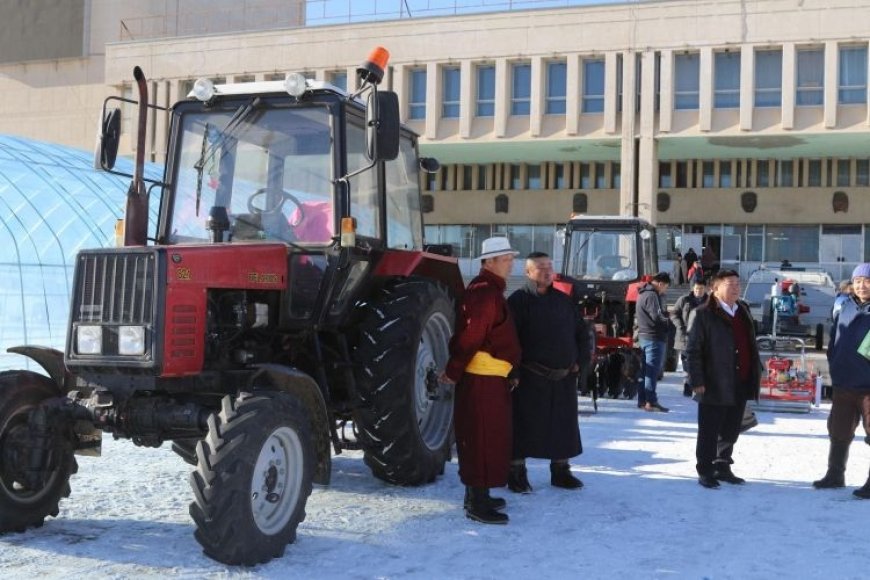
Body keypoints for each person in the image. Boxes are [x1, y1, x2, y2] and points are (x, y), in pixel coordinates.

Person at [439, 236, 521, 524]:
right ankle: (476, 502)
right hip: (481, 381)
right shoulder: (486, 292)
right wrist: (453, 370)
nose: (511, 263)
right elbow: (471, 337)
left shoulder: (489, 290)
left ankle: (480, 494)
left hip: (490, 379)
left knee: (488, 438)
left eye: (511, 258)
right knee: (481, 439)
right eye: (506, 259)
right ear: (489, 262)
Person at [506, 252, 591, 493]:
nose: (546, 270)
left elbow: (581, 333)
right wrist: (513, 371)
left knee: (562, 426)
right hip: (529, 377)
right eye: (540, 267)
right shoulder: (518, 301)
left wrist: (580, 361)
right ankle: (516, 473)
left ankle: (561, 471)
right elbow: (509, 340)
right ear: (528, 272)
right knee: (523, 426)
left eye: (549, 266)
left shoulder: (564, 301)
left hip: (563, 377)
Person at [685, 269, 762, 488]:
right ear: (715, 288)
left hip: (741, 378)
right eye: (731, 284)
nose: (736, 287)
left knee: (731, 427)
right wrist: (696, 380)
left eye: (738, 283)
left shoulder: (743, 310)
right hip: (713, 381)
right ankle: (706, 469)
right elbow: (692, 351)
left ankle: (723, 465)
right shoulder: (702, 314)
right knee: (709, 430)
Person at [812, 263, 870, 498]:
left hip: (868, 387)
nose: (862, 286)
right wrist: (834, 363)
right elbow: (834, 340)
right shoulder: (844, 307)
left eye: (867, 281)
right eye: (858, 281)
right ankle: (835, 474)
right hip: (843, 383)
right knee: (838, 431)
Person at [636, 272, 672, 412]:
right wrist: (668, 321)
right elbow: (656, 316)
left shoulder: (643, 293)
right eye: (666, 287)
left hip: (644, 336)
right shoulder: (652, 295)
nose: (665, 290)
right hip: (654, 337)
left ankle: (642, 400)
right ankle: (651, 401)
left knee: (644, 370)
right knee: (652, 371)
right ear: (661, 283)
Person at [671, 275, 708, 397]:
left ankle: (699, 386)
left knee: (702, 363)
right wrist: (680, 326)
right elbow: (674, 314)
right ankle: (688, 385)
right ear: (693, 288)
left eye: (701, 289)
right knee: (687, 364)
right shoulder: (684, 300)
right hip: (685, 338)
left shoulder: (709, 301)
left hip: (703, 339)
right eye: (697, 289)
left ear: (705, 288)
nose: (699, 291)